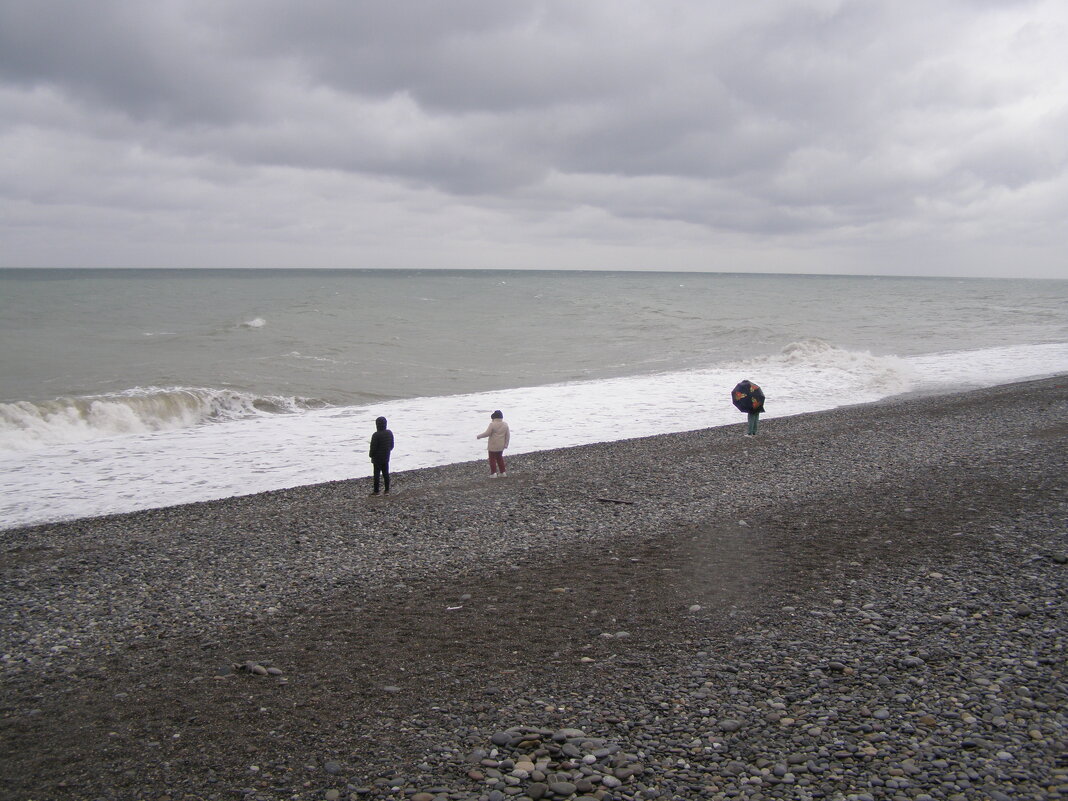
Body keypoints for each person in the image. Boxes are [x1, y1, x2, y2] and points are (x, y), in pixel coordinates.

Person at [476, 409, 510, 477]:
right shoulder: (505, 425)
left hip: (493, 445)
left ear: (493, 417)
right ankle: (503, 472)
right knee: (500, 458)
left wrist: (479, 436)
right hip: (501, 445)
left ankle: (493, 473)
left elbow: (487, 433)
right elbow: (508, 435)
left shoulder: (492, 424)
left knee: (492, 459)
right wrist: (506, 444)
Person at [368, 416, 394, 495]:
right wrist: (387, 451)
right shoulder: (389, 433)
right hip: (386, 456)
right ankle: (387, 490)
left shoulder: (376, 435)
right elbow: (392, 446)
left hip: (377, 458)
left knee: (376, 475)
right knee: (386, 473)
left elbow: (373, 448)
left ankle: (376, 491)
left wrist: (371, 455)